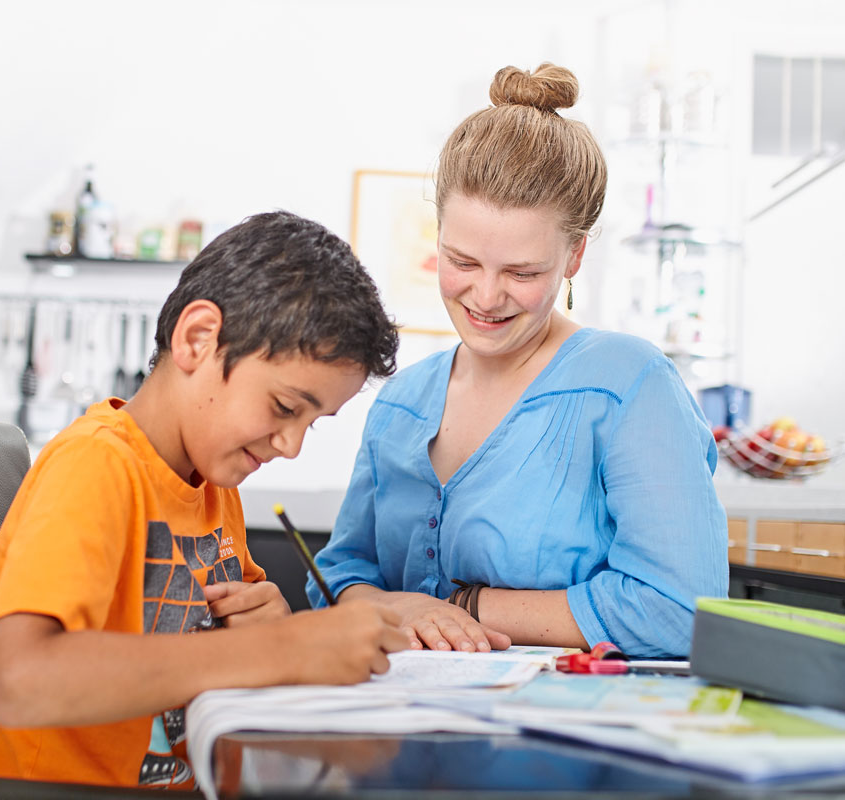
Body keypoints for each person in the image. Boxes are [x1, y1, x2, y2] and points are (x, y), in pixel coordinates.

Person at [0, 210, 409, 788]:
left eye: (313, 423)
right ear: (198, 340)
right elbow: (17, 682)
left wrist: (267, 631)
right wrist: (281, 650)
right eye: (284, 408)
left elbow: (227, 654)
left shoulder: (216, 487)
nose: (292, 445)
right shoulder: (97, 464)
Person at [309, 63, 728, 659]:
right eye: (462, 261)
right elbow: (340, 575)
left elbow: (679, 611)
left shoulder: (628, 386)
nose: (485, 297)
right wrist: (380, 604)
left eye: (522, 273)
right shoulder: (401, 403)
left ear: (575, 254)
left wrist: (465, 607)